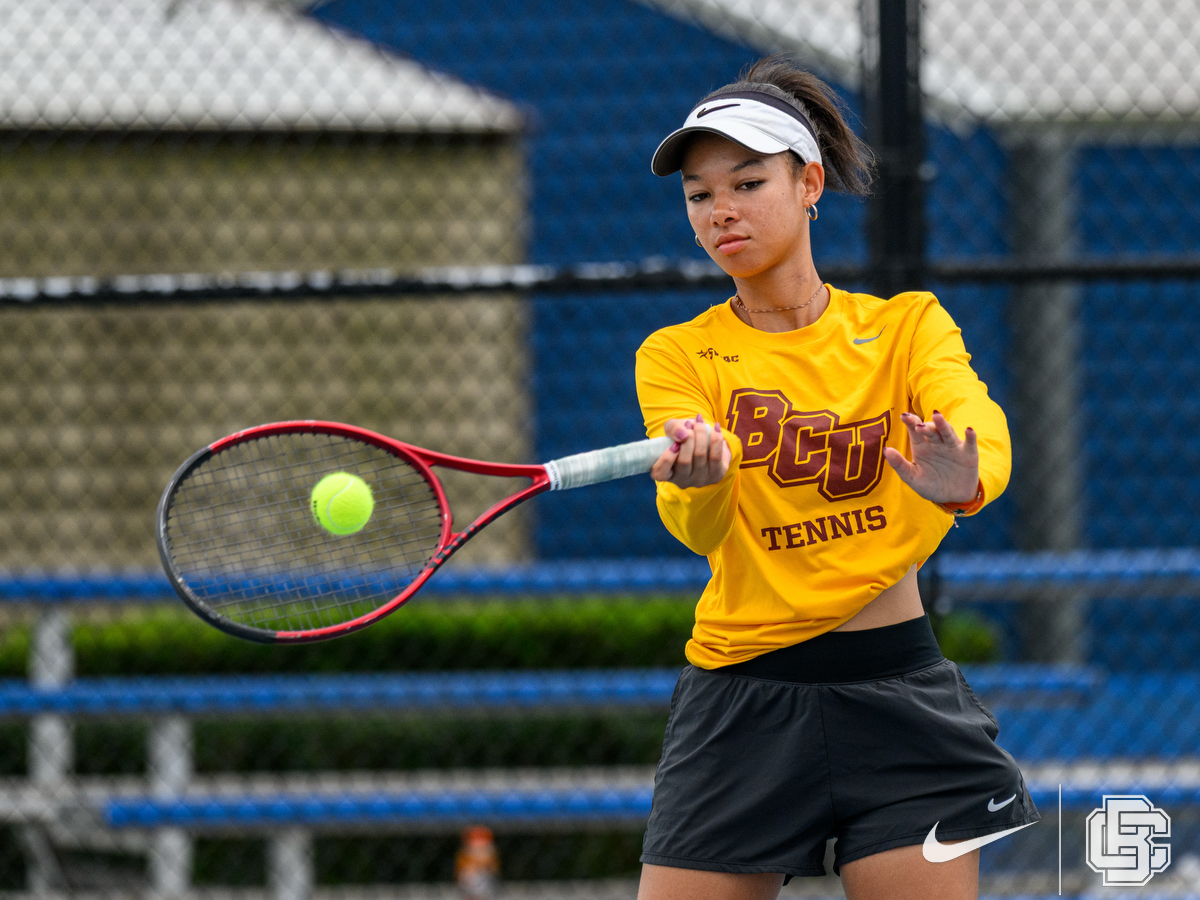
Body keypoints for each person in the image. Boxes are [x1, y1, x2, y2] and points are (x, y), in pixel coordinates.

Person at [635, 56, 1039, 900]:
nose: (720, 211)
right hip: (741, 704)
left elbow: (976, 426)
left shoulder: (906, 328)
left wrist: (965, 477)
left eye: (747, 183)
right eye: (699, 195)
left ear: (809, 182)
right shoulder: (676, 356)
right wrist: (702, 484)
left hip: (900, 699)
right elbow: (698, 530)